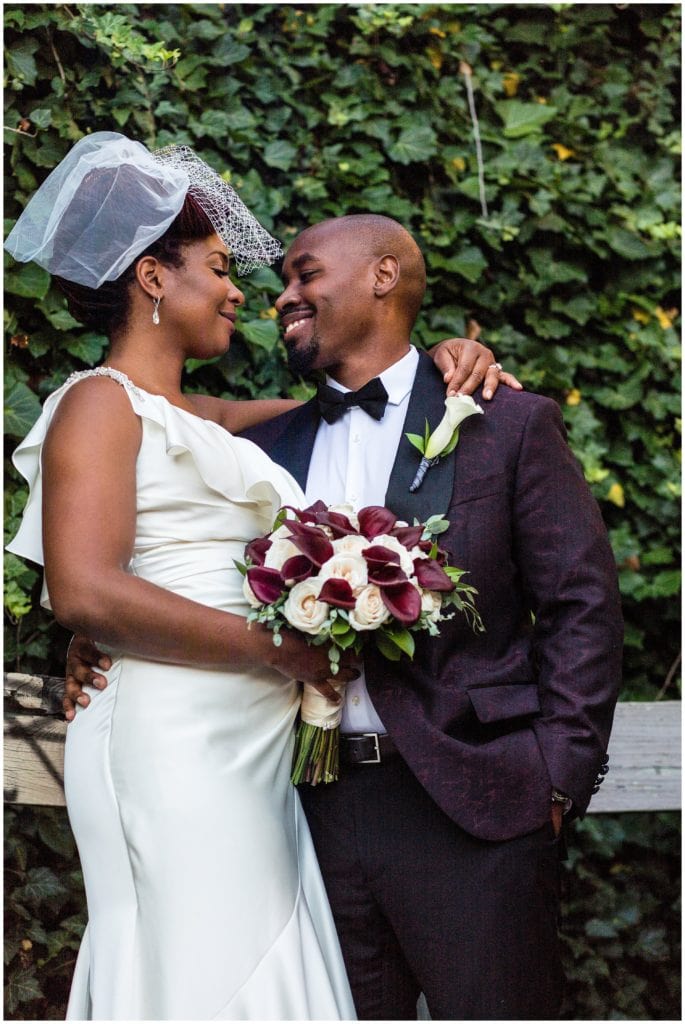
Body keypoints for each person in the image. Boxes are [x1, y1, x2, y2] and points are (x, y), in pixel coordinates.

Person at [66, 214, 623, 1020]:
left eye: (304, 275)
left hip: (470, 804)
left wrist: (555, 779)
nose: (280, 296)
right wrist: (96, 633)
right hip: (301, 805)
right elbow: (165, 549)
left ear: (383, 277)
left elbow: (581, 605)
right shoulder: (262, 447)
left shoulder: (504, 422)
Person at [5, 134, 511, 1020]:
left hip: (253, 751)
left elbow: (375, 411)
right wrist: (281, 651)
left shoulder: (215, 418)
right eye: (214, 266)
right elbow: (83, 590)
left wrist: (449, 363)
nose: (241, 288)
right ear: (153, 279)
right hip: (169, 740)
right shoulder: (97, 402)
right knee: (197, 967)